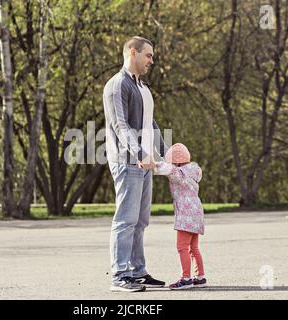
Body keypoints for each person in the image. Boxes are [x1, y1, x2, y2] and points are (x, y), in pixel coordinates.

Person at [103, 36, 167, 292]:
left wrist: (167, 154)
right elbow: (121, 125)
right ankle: (120, 275)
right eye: (148, 55)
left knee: (140, 221)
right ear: (133, 52)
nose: (152, 60)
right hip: (127, 161)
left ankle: (137, 271)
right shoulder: (117, 85)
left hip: (144, 164)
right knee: (125, 220)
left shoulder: (142, 87)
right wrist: (140, 154)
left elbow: (150, 125)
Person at [154, 143, 207, 290]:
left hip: (185, 214)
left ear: (176, 162)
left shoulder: (178, 173)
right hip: (197, 213)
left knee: (182, 247)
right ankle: (200, 277)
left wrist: (149, 164)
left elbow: (164, 168)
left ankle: (186, 278)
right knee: (194, 248)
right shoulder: (194, 170)